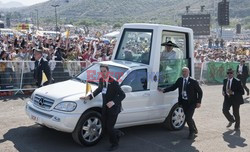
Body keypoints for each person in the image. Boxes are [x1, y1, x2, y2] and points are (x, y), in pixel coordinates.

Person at [80, 64, 126, 151]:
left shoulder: (114, 82)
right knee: (105, 126)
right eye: (101, 71)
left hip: (114, 108)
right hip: (105, 107)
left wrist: (113, 102)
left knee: (109, 126)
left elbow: (122, 95)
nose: (103, 73)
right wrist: (89, 97)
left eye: (104, 71)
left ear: (108, 71)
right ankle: (118, 133)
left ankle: (114, 144)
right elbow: (99, 90)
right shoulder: (101, 80)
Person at [158, 67, 203, 139]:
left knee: (188, 117)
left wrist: (198, 102)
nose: (184, 73)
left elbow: (200, 92)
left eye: (185, 71)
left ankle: (192, 132)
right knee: (189, 117)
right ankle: (194, 129)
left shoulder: (193, 81)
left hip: (191, 102)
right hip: (183, 102)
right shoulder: (180, 80)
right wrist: (164, 90)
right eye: (183, 71)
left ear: (188, 72)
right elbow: (173, 87)